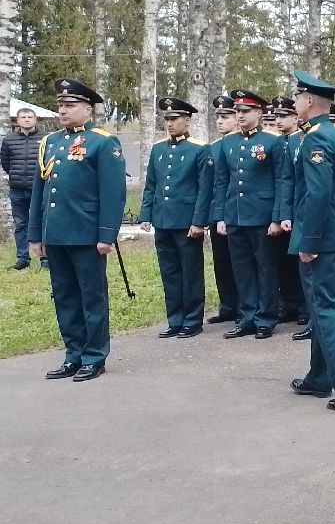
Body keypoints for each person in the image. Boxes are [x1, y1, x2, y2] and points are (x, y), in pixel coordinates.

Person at [31, 78, 126, 382]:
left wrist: (106, 234)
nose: (63, 110)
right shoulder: (51, 142)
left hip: (86, 234)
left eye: (70, 105)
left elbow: (113, 193)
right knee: (64, 296)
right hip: (56, 233)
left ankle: (94, 355)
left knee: (91, 296)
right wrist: (36, 235)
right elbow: (39, 192)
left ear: (88, 108)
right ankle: (73, 354)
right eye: (60, 105)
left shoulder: (102, 142)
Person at [285, 71, 335, 411]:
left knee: (324, 308)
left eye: (296, 98)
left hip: (323, 238)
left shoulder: (317, 140)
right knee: (327, 305)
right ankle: (319, 377)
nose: (293, 103)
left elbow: (317, 195)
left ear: (308, 101)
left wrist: (310, 240)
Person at [212, 89, 294, 340]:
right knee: (242, 268)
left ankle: (265, 317)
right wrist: (221, 217)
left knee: (265, 267)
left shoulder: (273, 142)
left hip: (262, 216)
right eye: (237, 111)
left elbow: (283, 180)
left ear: (259, 112)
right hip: (235, 215)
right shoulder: (228, 142)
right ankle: (247, 315)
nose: (240, 115)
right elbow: (221, 182)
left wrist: (278, 217)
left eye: (245, 111)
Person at [139, 97, 211, 338]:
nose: (169, 124)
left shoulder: (199, 149)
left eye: (174, 119)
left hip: (186, 221)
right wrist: (146, 215)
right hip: (163, 219)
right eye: (166, 119)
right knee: (169, 271)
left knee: (190, 271)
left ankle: (192, 319)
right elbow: (151, 185)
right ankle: (175, 318)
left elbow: (204, 189)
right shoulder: (159, 149)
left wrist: (199, 221)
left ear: (187, 120)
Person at [270, 97, 307, 326]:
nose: (278, 120)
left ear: (295, 117)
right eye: (276, 116)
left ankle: (304, 307)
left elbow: (294, 181)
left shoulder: (302, 140)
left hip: (297, 208)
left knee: (300, 262)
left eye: (284, 116)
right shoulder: (276, 143)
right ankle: (289, 304)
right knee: (282, 262)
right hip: (278, 210)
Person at [206, 95, 240, 323]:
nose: (220, 121)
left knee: (239, 262)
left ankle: (243, 306)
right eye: (217, 117)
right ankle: (228, 305)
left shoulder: (242, 143)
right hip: (216, 210)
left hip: (237, 210)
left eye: (225, 117)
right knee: (221, 262)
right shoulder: (213, 147)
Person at [2, 105, 42, 269]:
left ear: (35, 119)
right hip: (17, 189)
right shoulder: (9, 140)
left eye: (30, 117)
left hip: (39, 189)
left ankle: (45, 258)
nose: (27, 119)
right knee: (21, 224)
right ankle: (23, 259)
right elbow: (5, 163)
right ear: (17, 120)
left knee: (42, 222)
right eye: (23, 117)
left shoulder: (45, 138)